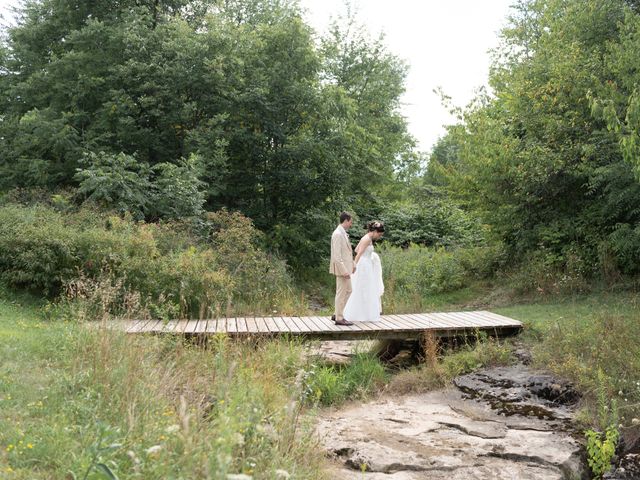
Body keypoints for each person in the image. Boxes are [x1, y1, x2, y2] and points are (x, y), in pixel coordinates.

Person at [343, 221, 385, 322]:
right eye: (379, 234)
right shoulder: (367, 239)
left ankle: (363, 313)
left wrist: (371, 256)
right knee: (364, 289)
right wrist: (354, 265)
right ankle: (360, 314)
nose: (379, 237)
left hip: (366, 264)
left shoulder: (367, 238)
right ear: (375, 231)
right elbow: (359, 253)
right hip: (364, 267)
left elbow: (357, 249)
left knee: (365, 289)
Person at [329, 212, 356, 326]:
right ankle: (339, 318)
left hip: (346, 268)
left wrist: (352, 264)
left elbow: (346, 253)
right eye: (350, 221)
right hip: (341, 269)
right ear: (346, 220)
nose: (351, 224)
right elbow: (337, 256)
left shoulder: (342, 232)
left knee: (349, 290)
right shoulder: (338, 234)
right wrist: (344, 270)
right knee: (341, 292)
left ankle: (337, 313)